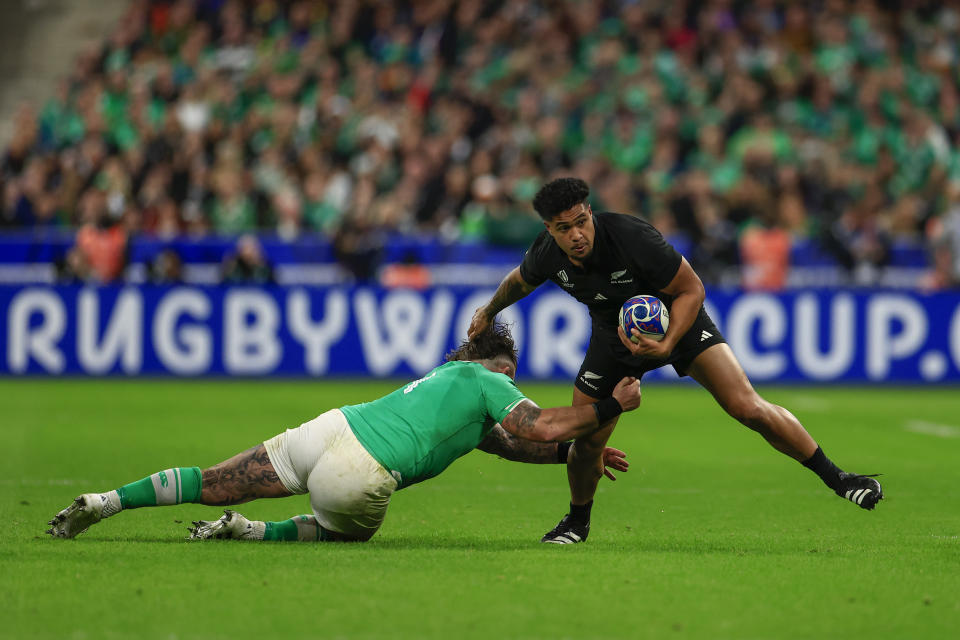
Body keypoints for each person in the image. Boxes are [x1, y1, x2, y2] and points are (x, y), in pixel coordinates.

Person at [468, 177, 883, 545]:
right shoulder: (547, 254)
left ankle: (839, 478)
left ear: (589, 211)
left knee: (747, 406)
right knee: (587, 438)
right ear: (549, 230)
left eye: (581, 221)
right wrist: (489, 310)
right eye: (564, 228)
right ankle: (577, 522)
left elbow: (692, 289)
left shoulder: (631, 236)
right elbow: (518, 282)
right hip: (614, 340)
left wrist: (667, 345)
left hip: (679, 323)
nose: (576, 234)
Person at [47, 325, 640, 543]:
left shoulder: (447, 386)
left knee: (214, 480)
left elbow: (513, 443)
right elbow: (537, 422)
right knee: (342, 534)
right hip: (359, 473)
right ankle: (254, 532)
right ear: (496, 365)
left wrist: (570, 453)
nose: (513, 384)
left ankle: (107, 501)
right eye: (510, 374)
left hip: (331, 428)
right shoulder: (487, 380)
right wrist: (612, 404)